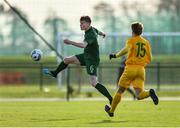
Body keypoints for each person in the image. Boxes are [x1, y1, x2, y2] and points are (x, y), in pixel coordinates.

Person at [43, 16, 112, 104]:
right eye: (80, 23)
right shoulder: (93, 29)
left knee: (94, 83)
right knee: (66, 60)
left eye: (82, 23)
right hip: (86, 56)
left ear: (88, 23)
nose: (80, 25)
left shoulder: (91, 34)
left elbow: (83, 45)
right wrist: (103, 34)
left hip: (92, 59)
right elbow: (98, 31)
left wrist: (70, 42)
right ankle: (55, 73)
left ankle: (110, 98)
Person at [105, 22, 159, 117]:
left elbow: (126, 49)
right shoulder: (146, 43)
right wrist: (141, 64)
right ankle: (149, 92)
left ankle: (111, 111)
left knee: (120, 91)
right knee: (139, 95)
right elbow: (150, 58)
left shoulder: (131, 41)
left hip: (130, 69)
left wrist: (115, 55)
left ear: (132, 31)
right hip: (141, 70)